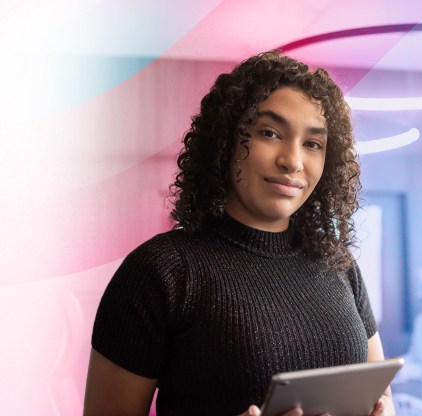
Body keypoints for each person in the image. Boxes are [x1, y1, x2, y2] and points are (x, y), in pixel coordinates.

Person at [84, 51, 395, 416]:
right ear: (225, 142)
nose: (293, 161)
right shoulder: (161, 271)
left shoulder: (339, 266)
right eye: (269, 133)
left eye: (313, 144)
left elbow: (382, 396)